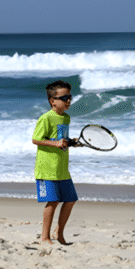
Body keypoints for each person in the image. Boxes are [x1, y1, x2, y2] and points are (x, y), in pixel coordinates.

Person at [32, 80, 79, 246]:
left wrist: (71, 142)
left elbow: (62, 140)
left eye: (70, 97)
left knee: (71, 199)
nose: (68, 100)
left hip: (62, 168)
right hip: (46, 169)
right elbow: (36, 139)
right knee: (52, 201)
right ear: (53, 101)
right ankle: (44, 236)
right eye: (64, 97)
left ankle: (58, 232)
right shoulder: (46, 118)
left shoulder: (66, 117)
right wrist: (56, 143)